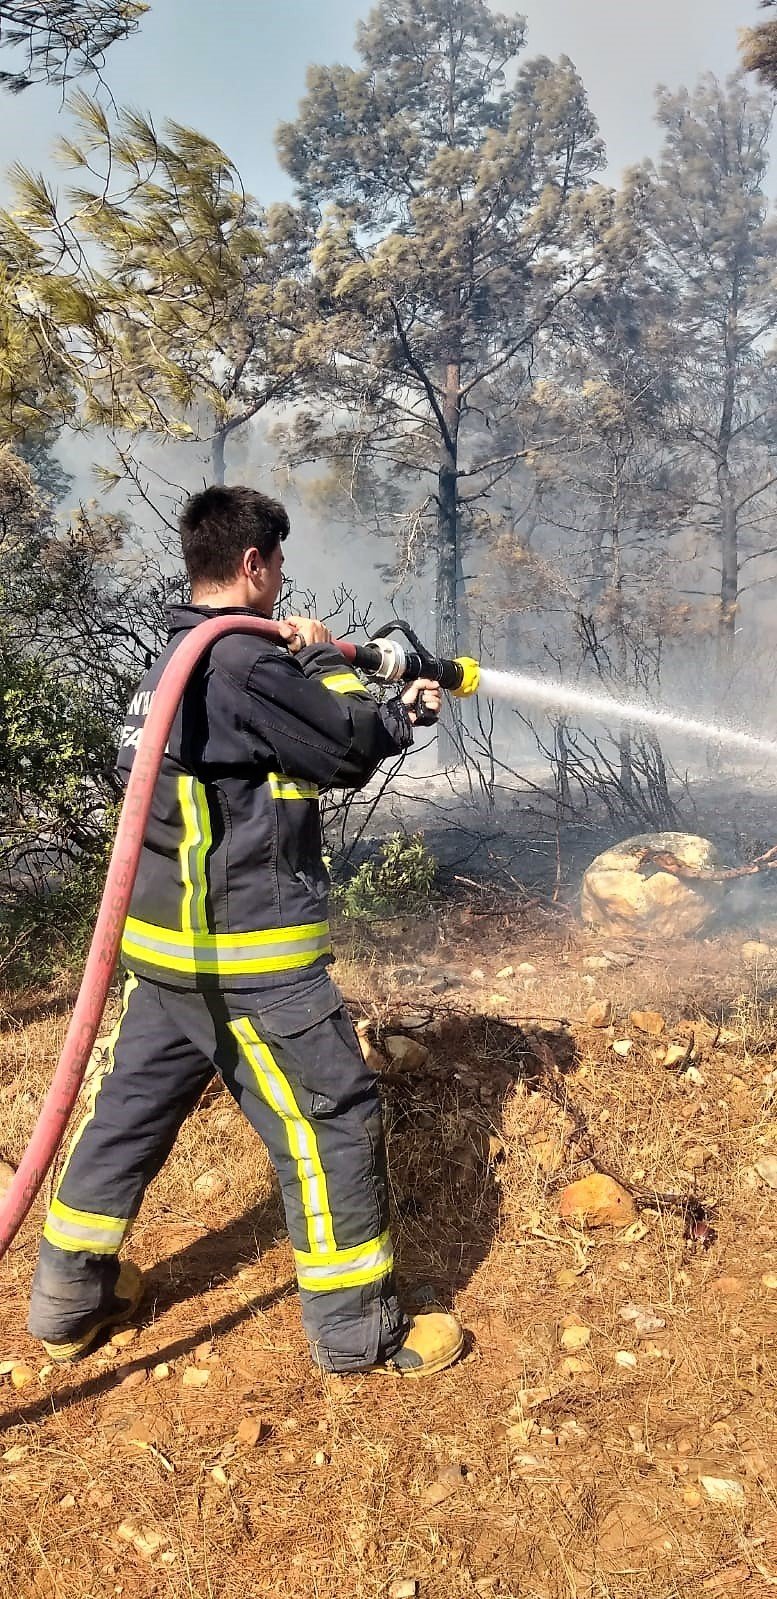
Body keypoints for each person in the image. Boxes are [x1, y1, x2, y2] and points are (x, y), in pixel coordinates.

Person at [28, 485, 464, 1378]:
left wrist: (315, 662)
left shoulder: (173, 661)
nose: (280, 586)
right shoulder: (242, 663)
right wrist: (400, 704)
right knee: (332, 1117)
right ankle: (357, 1334)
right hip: (250, 962)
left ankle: (69, 1301)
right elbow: (345, 746)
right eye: (278, 566)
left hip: (168, 956)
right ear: (255, 564)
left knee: (124, 1120)